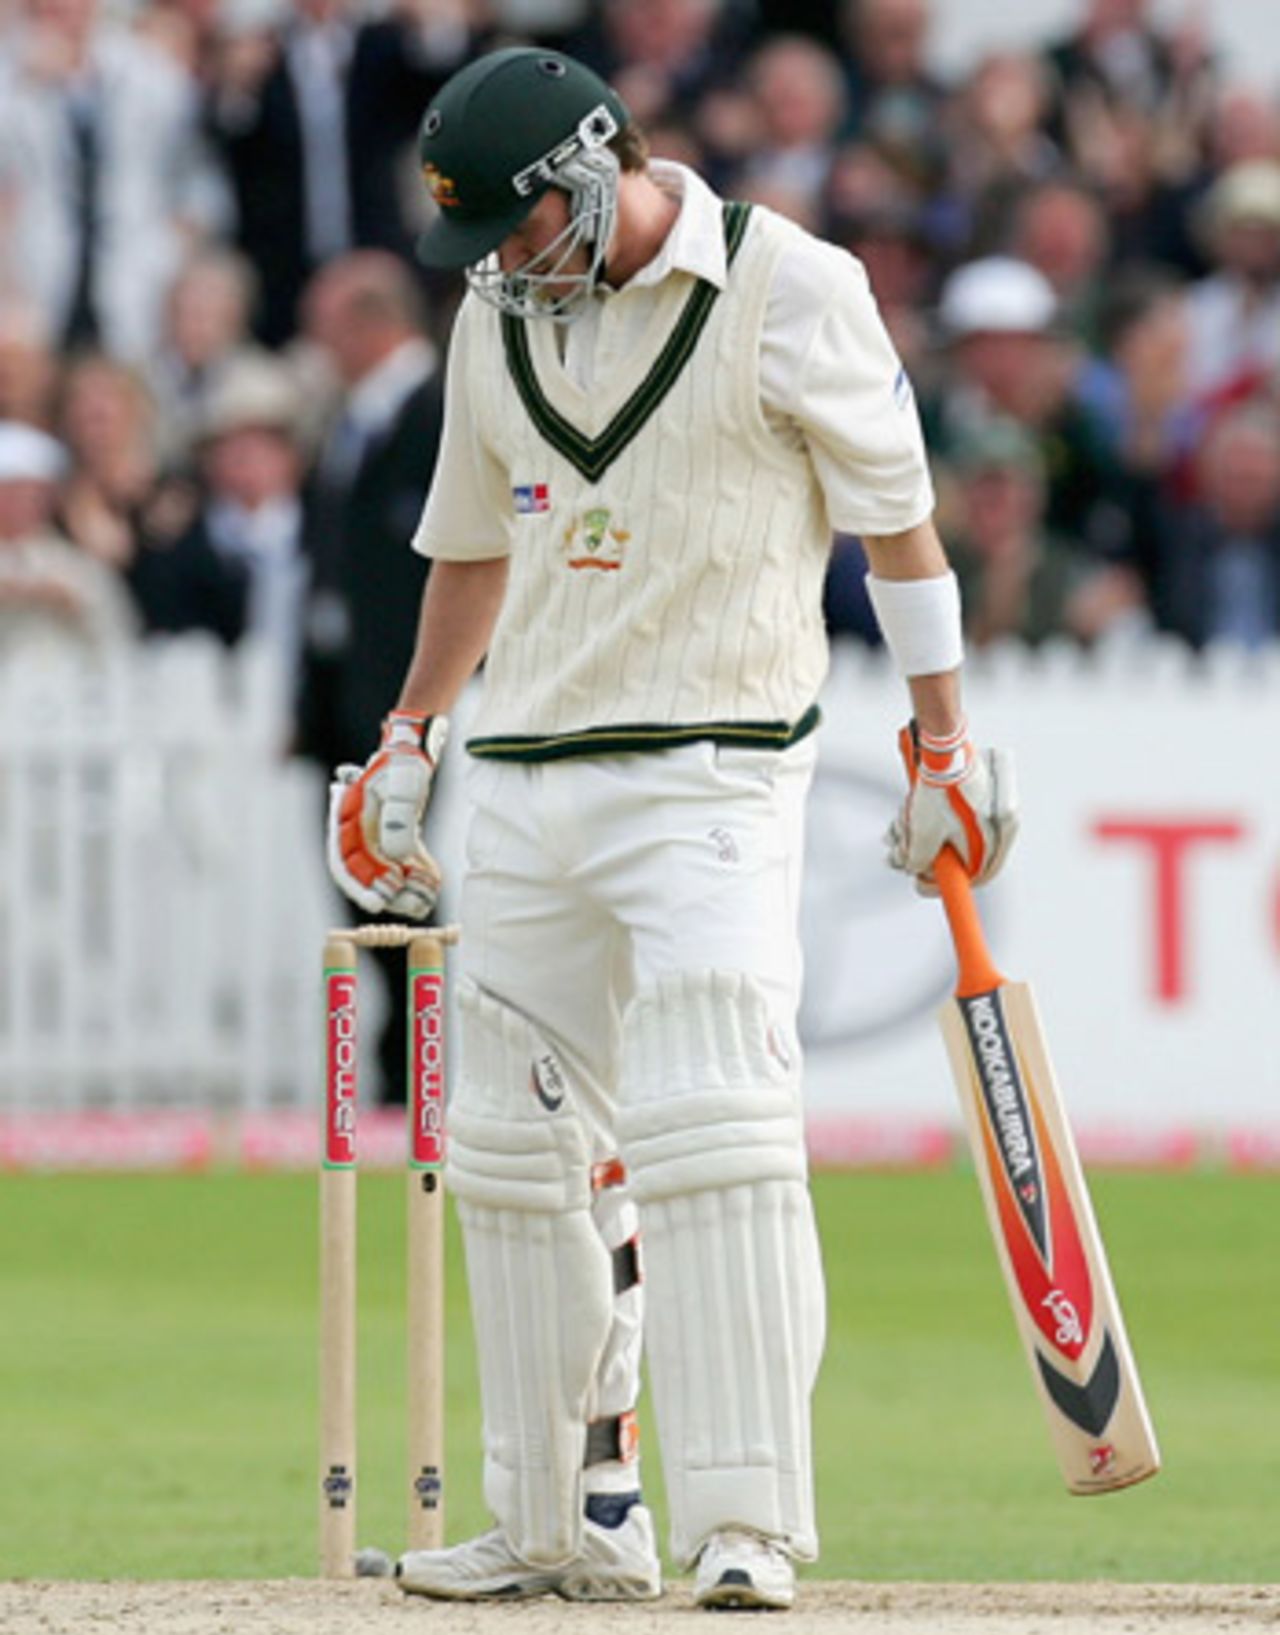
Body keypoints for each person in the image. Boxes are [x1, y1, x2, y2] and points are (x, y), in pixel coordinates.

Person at [326, 46, 1017, 1610]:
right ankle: (559, 1525)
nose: (503, 263)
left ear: (591, 170)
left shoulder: (795, 285)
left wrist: (945, 733)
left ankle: (745, 1525)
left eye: (517, 225)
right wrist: (410, 736)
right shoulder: (498, 316)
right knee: (508, 1156)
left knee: (716, 1140)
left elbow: (896, 518)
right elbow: (464, 548)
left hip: (713, 771)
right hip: (527, 770)